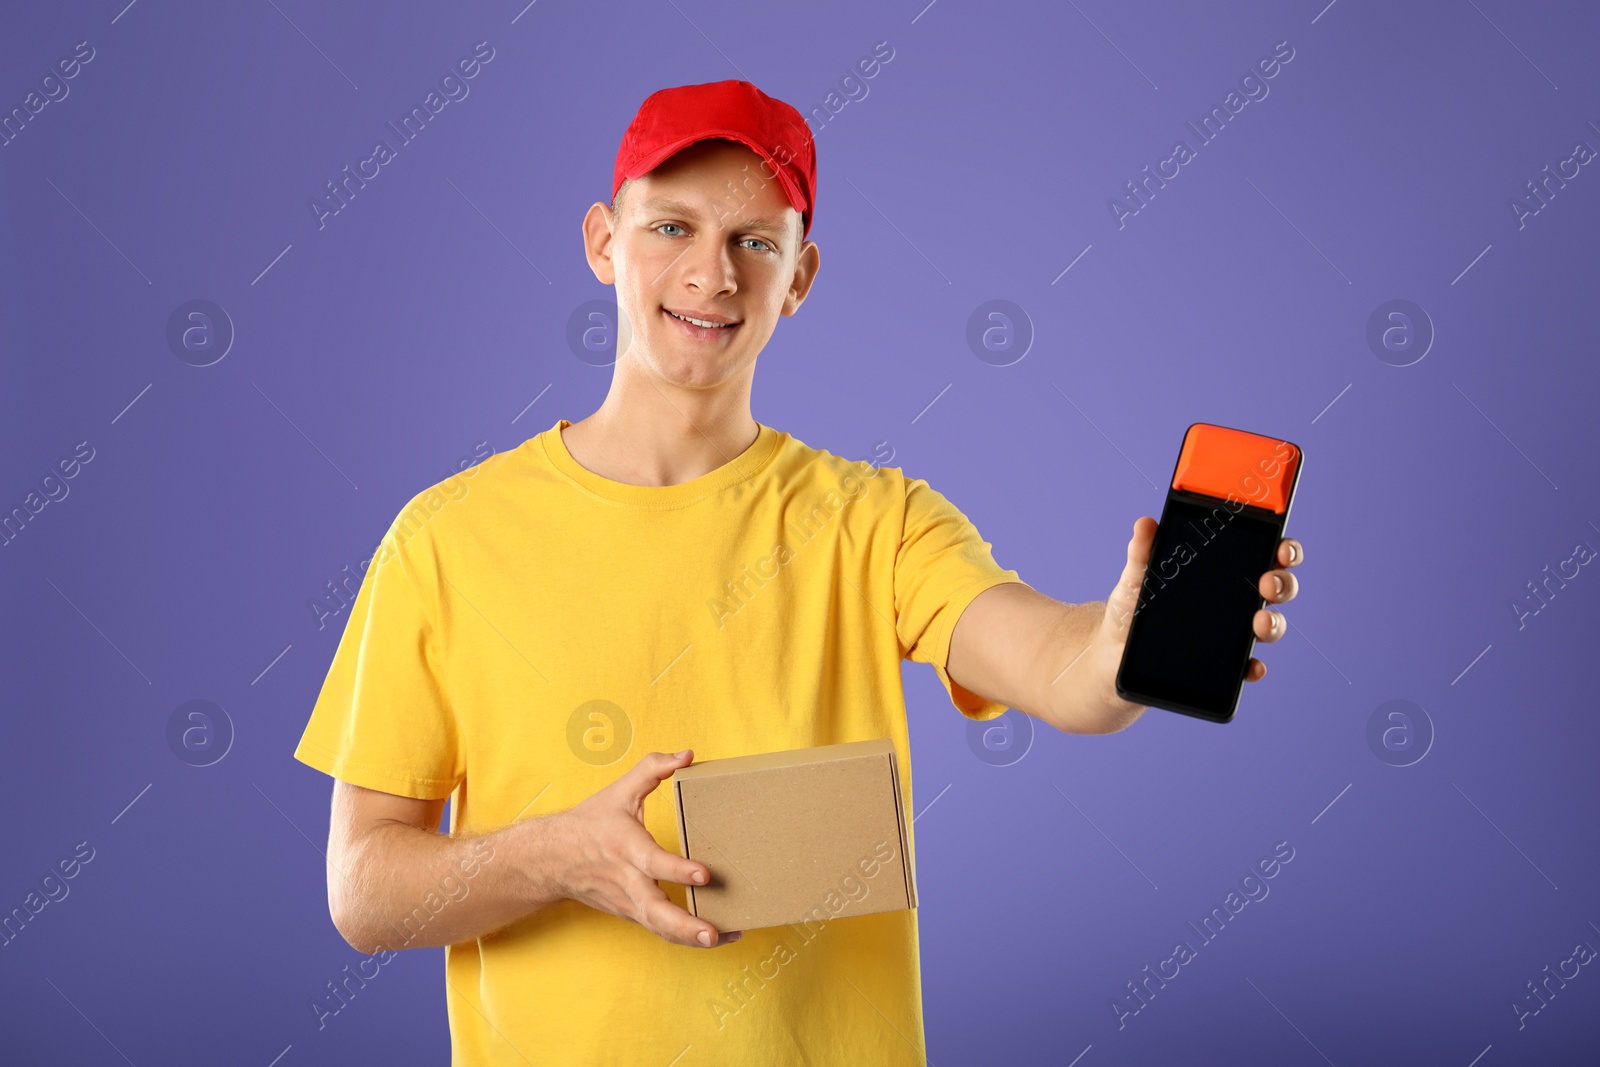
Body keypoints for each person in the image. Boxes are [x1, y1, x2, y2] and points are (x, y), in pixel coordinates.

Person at [293, 78, 1305, 1065]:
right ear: (604, 241)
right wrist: (558, 856)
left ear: (800, 276)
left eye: (754, 241)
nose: (712, 273)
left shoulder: (875, 521)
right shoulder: (446, 537)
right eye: (671, 227)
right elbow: (365, 889)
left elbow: (1055, 668)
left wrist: (1121, 641)